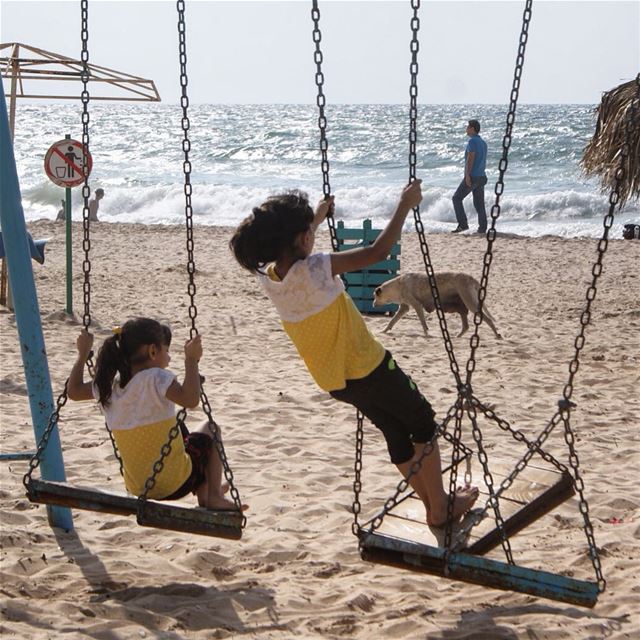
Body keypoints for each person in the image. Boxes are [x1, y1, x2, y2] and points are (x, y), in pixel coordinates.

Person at [229, 182, 478, 528]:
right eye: (309, 234)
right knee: (421, 420)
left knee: (394, 430)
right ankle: (440, 505)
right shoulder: (316, 268)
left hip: (336, 381)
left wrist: (315, 219)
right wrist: (405, 204)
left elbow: (293, 243)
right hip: (369, 365)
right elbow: (378, 252)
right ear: (302, 239)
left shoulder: (270, 277)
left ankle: (432, 504)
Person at [67, 318, 240, 511]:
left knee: (178, 428)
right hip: (176, 483)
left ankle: (205, 492)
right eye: (166, 351)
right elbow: (191, 400)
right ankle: (213, 495)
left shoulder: (110, 386)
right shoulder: (157, 378)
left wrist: (82, 355)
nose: (169, 357)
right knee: (211, 429)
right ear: (152, 351)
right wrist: (191, 360)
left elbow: (73, 392)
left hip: (139, 488)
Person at [452, 119, 488, 234]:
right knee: (479, 205)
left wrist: (467, 175)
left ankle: (463, 225)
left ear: (472, 129)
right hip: (482, 176)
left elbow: (471, 158)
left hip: (473, 176)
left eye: (468, 127)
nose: (466, 129)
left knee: (456, 198)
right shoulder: (483, 142)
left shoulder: (472, 142)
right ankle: (482, 228)